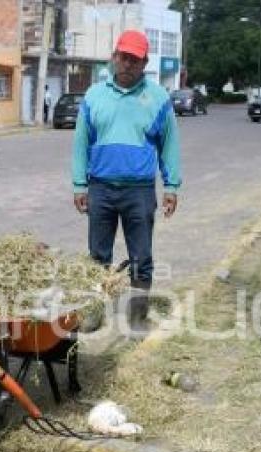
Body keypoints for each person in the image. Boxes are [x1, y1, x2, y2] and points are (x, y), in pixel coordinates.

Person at [71, 30, 181, 329]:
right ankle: (93, 313)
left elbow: (169, 144)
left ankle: (137, 316)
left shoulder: (158, 98)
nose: (128, 63)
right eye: (124, 56)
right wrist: (79, 184)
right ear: (115, 56)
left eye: (135, 59)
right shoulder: (94, 96)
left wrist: (171, 186)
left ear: (145, 62)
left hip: (140, 191)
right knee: (97, 256)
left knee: (141, 256)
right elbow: (81, 143)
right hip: (100, 188)